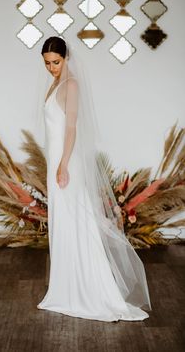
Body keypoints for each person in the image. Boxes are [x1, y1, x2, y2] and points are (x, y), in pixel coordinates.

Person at [35, 36, 152, 321]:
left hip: (66, 163)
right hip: (56, 162)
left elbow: (71, 129)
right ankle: (66, 286)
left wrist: (63, 165)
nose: (51, 68)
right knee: (64, 221)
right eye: (47, 63)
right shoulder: (54, 83)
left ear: (66, 58)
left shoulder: (70, 85)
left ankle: (87, 289)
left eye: (56, 62)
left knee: (76, 220)